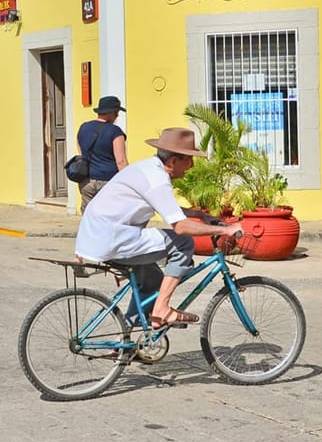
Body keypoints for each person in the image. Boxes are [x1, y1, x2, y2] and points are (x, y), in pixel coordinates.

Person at [74, 127, 244, 329]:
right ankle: (162, 309)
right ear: (173, 161)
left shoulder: (147, 169)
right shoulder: (157, 180)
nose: (191, 166)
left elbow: (162, 204)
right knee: (183, 243)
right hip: (113, 239)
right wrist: (225, 230)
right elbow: (180, 227)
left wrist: (198, 214)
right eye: (189, 160)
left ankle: (125, 340)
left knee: (153, 279)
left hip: (98, 237)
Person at [75, 95, 128, 213]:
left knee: (89, 217)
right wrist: (129, 182)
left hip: (86, 181)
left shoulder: (84, 127)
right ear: (110, 112)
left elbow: (80, 148)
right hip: (108, 182)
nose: (117, 116)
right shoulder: (115, 131)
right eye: (116, 112)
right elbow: (121, 161)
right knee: (109, 216)